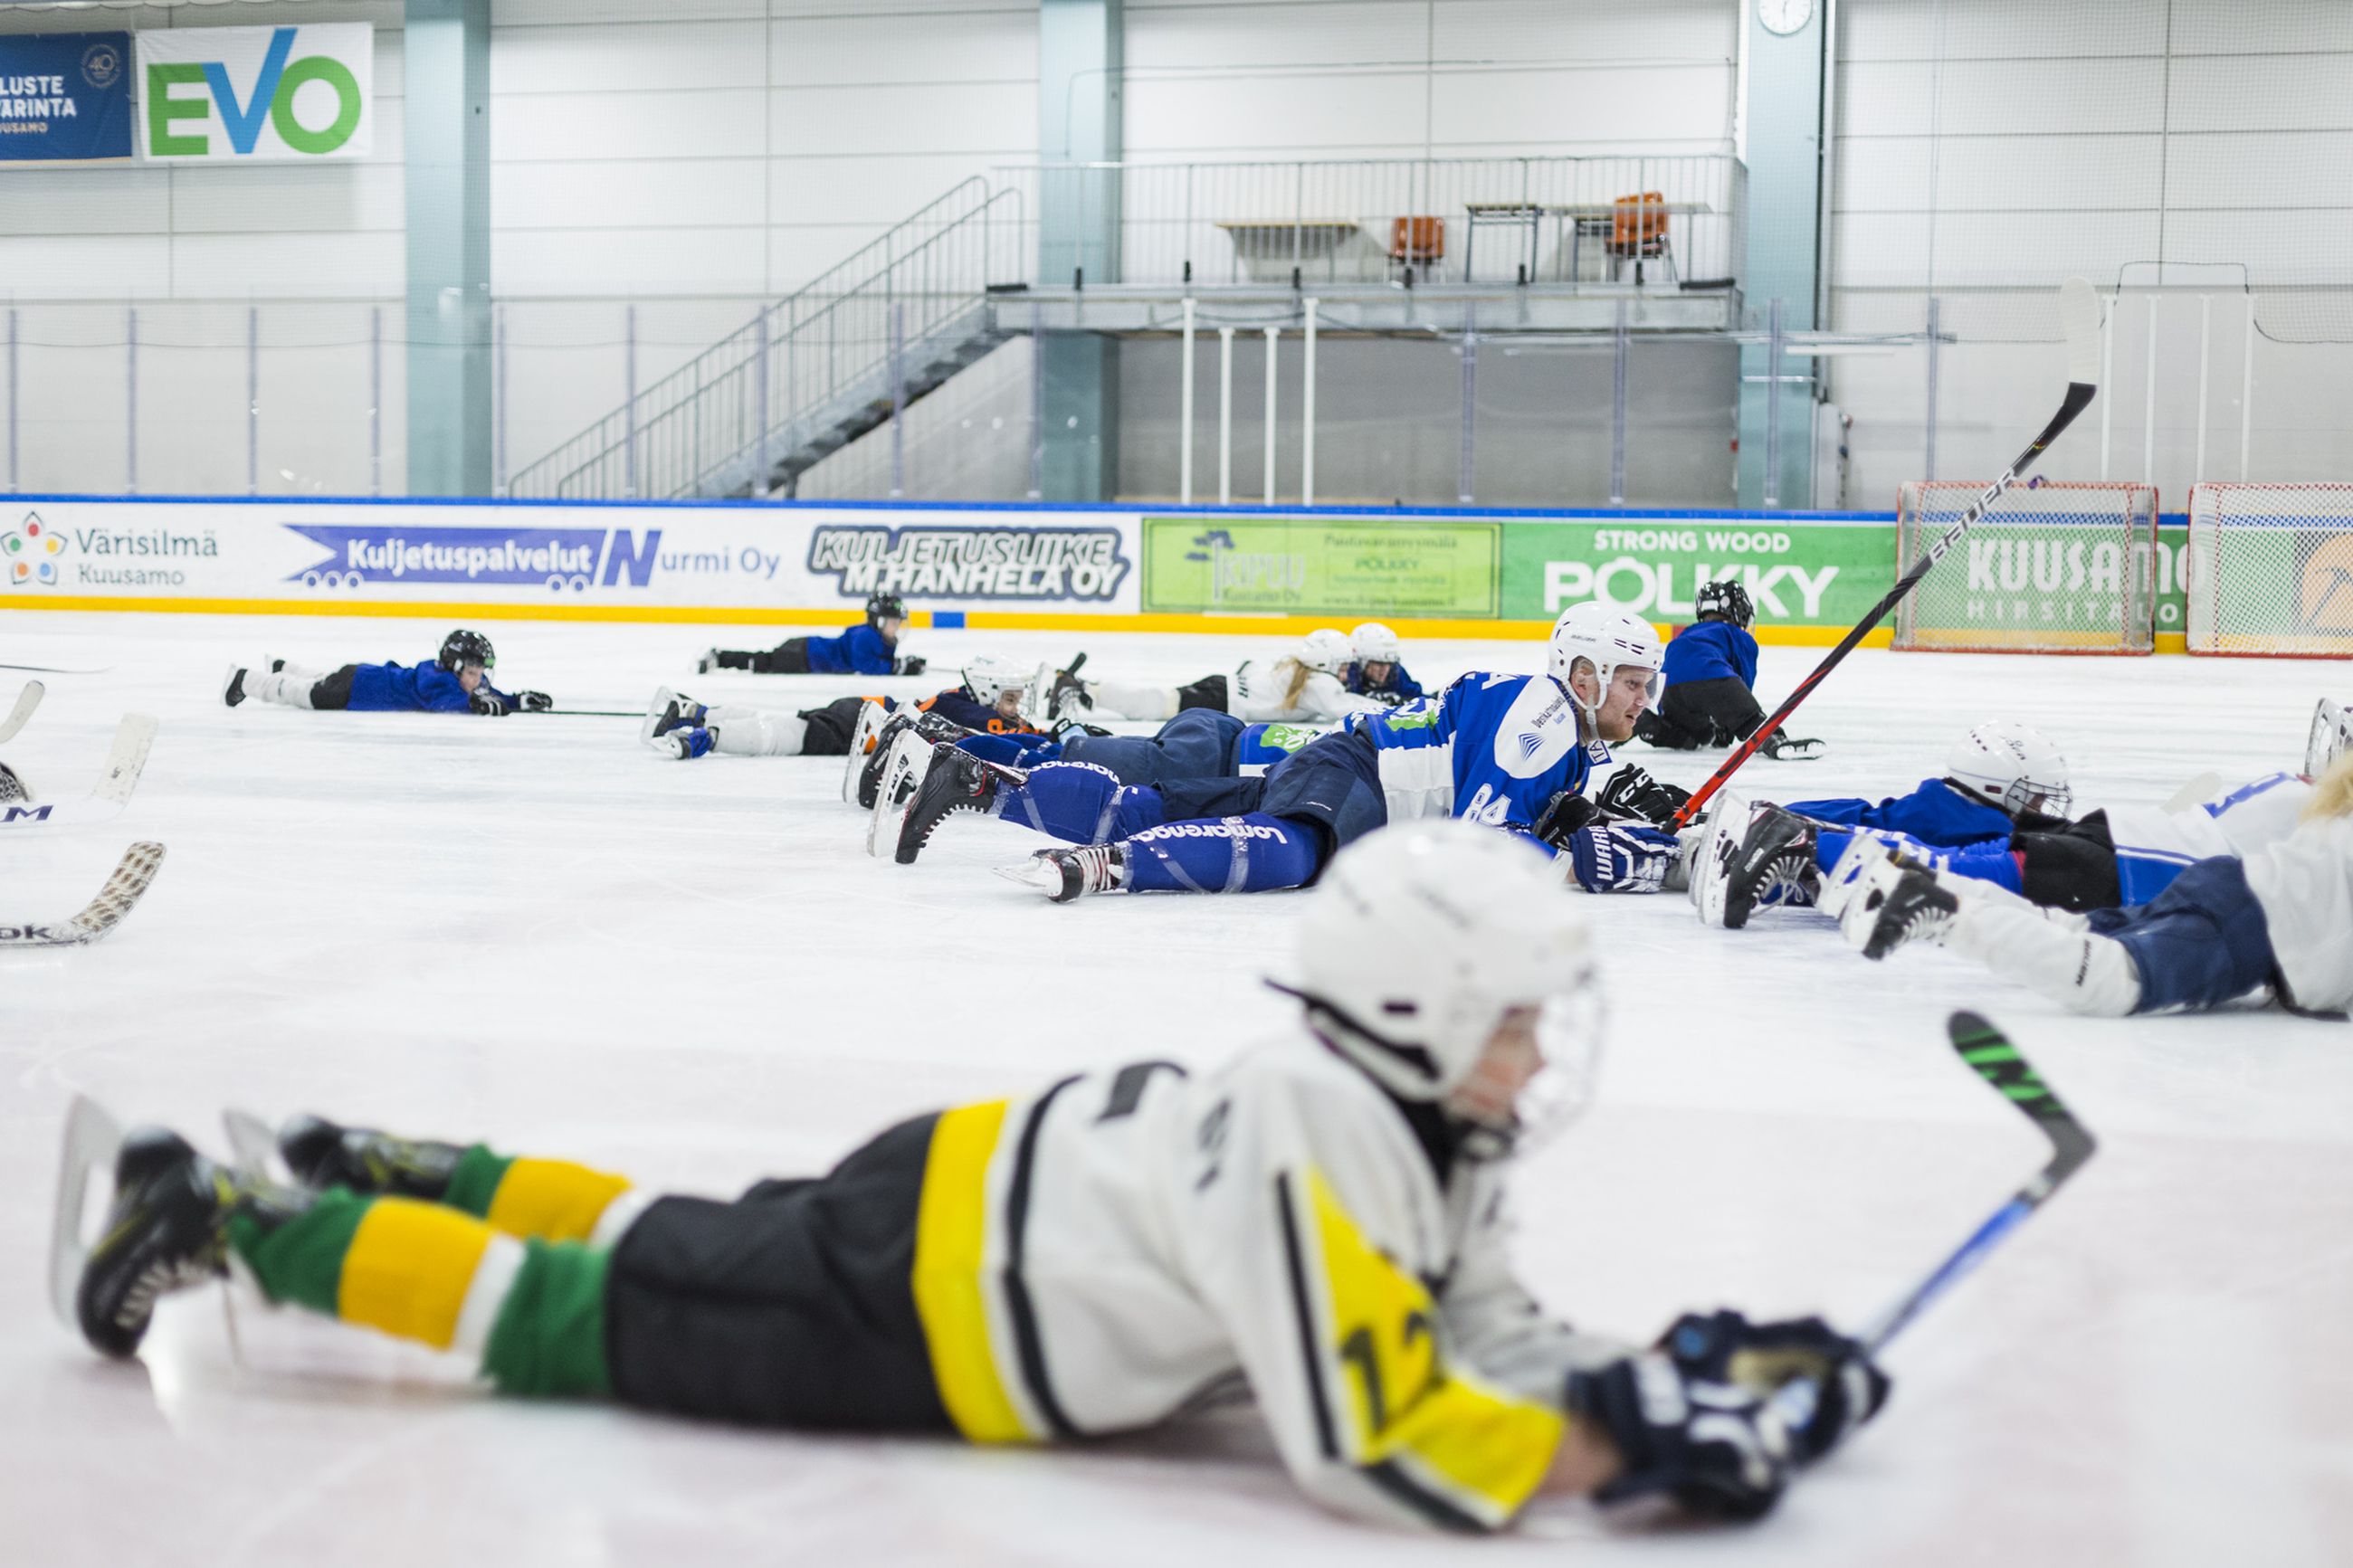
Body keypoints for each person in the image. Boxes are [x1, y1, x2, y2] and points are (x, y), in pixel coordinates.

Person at [66, 822, 1886, 1532]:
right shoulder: (1328, 1135)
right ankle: (232, 1223)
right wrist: (1619, 1443)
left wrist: (1670, 1366)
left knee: (670, 1234)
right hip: (927, 1307)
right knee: (592, 1314)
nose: (1537, 1055)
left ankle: (410, 1163)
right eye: (1514, 1018)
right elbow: (1372, 1431)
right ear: (1414, 1005)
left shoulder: (1415, 1117)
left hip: (965, 1194)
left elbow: (1472, 1316)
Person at [884, 603, 1691, 899]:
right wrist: (1586, 858)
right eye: (1630, 681)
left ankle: (982, 781)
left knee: (1153, 804)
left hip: (1343, 767)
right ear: (1582, 673)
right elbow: (1480, 848)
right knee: (1299, 850)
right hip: (1357, 777)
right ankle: (1111, 868)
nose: (1641, 699)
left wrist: (1585, 815)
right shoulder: (1545, 711)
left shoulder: (1566, 735)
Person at [1842, 754, 2353, 1018]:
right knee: (2109, 978)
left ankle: (1921, 881)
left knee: (2075, 928)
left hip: (2225, 888)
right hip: (2245, 923)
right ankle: (1941, 908)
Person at [1692, 722, 2073, 928]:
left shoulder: (1940, 807)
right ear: (1995, 786)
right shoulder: (1981, 829)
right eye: (2032, 795)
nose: (2040, 807)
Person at [644, 656, 1043, 762]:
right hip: (864, 725)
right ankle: (706, 737)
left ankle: (695, 711)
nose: (1015, 706)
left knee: (788, 722)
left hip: (864, 710)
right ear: (987, 693)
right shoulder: (974, 713)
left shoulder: (960, 696)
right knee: (789, 737)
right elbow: (1009, 738)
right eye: (1009, 698)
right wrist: (1057, 736)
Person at [1045, 629, 1389, 726]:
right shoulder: (1319, 683)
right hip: (1219, 700)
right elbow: (1341, 709)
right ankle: (1083, 688)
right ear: (1326, 663)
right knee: (1151, 705)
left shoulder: (1296, 669)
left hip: (1220, 688)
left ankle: (1087, 689)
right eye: (1343, 666)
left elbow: (1250, 667)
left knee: (1156, 698)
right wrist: (1390, 708)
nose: (1347, 673)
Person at [1634, 581, 1819, 759]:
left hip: (1669, 689)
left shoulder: (1687, 633)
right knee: (1751, 722)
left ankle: (1651, 726)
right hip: (1710, 675)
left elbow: (1673, 670)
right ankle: (1772, 740)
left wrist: (1666, 712)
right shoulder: (1735, 634)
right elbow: (1741, 682)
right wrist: (1738, 719)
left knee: (1698, 735)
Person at [221, 630, 549, 717]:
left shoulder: (454, 677)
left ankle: (283, 667)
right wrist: (480, 704)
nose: (479, 679)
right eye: (474, 671)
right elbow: (448, 703)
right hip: (355, 689)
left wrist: (516, 699)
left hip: (360, 677)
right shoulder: (438, 681)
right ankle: (245, 680)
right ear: (456, 666)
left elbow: (483, 695)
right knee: (305, 694)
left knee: (320, 678)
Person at [698, 594, 927, 678]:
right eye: (893, 623)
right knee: (763, 662)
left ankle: (721, 658)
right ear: (878, 621)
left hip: (808, 652)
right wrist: (899, 667)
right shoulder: (865, 636)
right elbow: (865, 665)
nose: (896, 628)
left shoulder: (874, 636)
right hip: (804, 655)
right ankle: (720, 658)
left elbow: (877, 660)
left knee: (764, 660)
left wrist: (901, 664)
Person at [1341, 622, 1424, 708]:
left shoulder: (1395, 673)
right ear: (1361, 662)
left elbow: (1417, 697)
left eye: (1389, 663)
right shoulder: (1346, 676)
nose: (1385, 669)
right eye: (1379, 663)